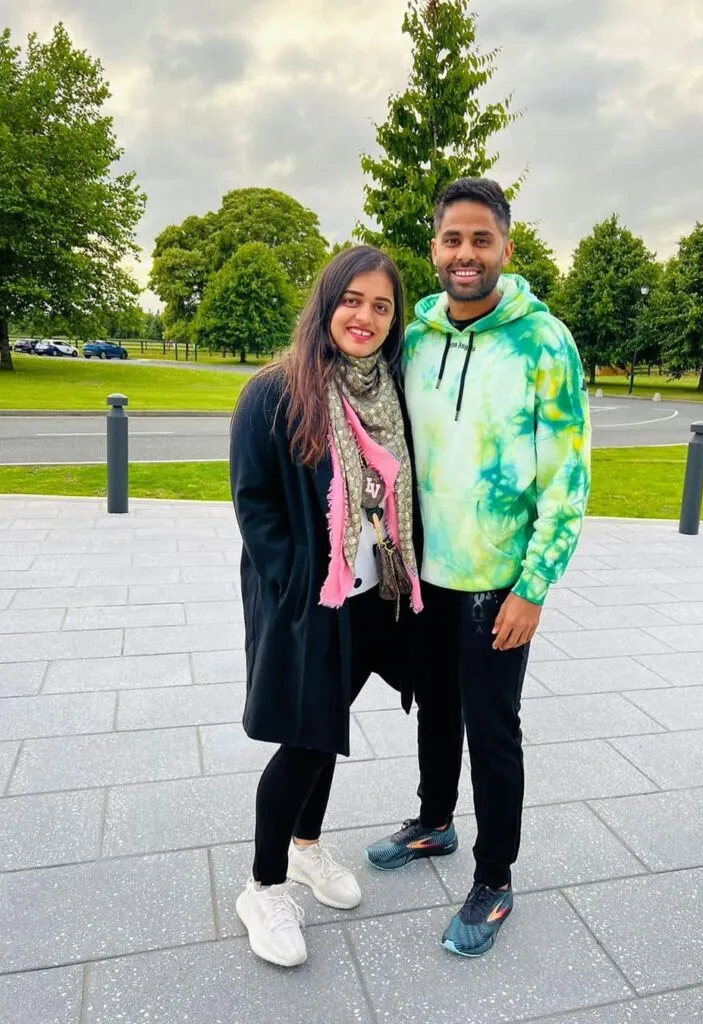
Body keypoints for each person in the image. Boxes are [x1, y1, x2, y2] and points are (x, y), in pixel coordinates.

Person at [366, 178, 592, 957]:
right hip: (424, 573)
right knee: (434, 708)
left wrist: (534, 587)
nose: (465, 255)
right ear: (433, 248)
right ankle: (434, 821)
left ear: (506, 248)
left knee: (492, 729)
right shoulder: (417, 335)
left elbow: (568, 477)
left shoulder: (543, 341)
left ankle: (493, 879)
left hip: (498, 580)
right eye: (451, 240)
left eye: (480, 240)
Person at [230, 245, 422, 968]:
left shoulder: (390, 390)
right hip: (313, 598)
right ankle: (263, 884)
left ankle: (306, 849)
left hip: (378, 594)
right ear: (326, 301)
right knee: (306, 737)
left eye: (381, 305)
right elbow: (254, 505)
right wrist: (295, 589)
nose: (365, 316)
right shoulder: (275, 392)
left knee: (327, 729)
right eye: (353, 299)